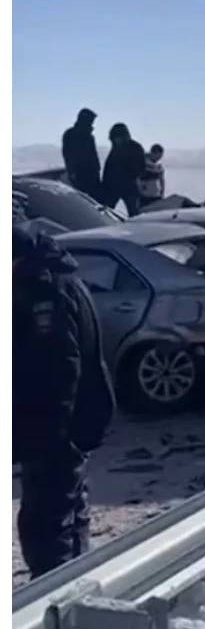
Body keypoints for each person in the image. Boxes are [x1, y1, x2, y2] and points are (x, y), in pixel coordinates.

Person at [14, 225, 115, 579]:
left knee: (48, 529)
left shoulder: (46, 292)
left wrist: (45, 439)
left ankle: (55, 595)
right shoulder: (55, 279)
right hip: (61, 431)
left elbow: (61, 371)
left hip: (56, 434)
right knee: (66, 517)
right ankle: (71, 588)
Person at [100, 123, 146, 215]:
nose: (116, 140)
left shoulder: (135, 147)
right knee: (106, 211)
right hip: (113, 187)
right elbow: (109, 168)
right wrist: (105, 184)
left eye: (117, 138)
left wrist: (130, 176)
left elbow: (141, 167)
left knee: (134, 213)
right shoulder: (116, 148)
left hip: (129, 186)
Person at [61, 108, 102, 202]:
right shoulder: (71, 135)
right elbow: (68, 155)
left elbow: (93, 155)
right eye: (91, 120)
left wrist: (97, 170)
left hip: (91, 174)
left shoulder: (89, 136)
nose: (92, 123)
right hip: (80, 174)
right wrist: (72, 171)